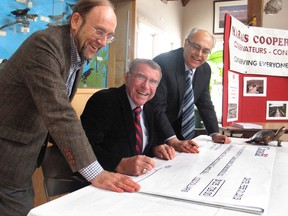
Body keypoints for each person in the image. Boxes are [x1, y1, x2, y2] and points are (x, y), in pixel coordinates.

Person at [0, 1, 140, 215]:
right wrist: (95, 172)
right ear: (76, 21)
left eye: (109, 36)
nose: (103, 42)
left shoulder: (76, 51)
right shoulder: (45, 46)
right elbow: (59, 113)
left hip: (23, 158)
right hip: (8, 157)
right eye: (99, 31)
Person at [81, 58, 175, 176]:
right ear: (126, 77)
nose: (146, 86)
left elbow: (142, 144)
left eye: (153, 82)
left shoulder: (149, 106)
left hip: (139, 180)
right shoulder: (104, 101)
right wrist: (119, 164)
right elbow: (84, 148)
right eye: (141, 77)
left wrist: (155, 148)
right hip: (104, 180)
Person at [149, 28, 231, 153]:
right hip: (156, 132)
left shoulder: (204, 69)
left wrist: (214, 133)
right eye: (196, 47)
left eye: (205, 51)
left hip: (180, 132)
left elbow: (205, 104)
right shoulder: (163, 63)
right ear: (186, 43)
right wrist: (173, 140)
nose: (199, 54)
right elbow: (156, 107)